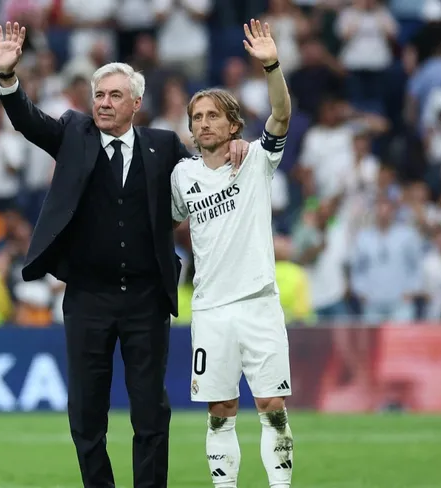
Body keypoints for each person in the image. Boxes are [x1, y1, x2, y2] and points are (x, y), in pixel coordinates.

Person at [0, 22, 249, 488]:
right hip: (88, 298)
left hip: (146, 300)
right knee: (86, 412)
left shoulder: (164, 146)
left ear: (136, 103)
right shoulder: (74, 133)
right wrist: (8, 78)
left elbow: (205, 174)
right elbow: (28, 121)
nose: (104, 103)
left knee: (151, 412)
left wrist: (232, 144)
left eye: (115, 95)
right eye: (99, 95)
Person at [170, 19, 294, 488]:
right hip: (210, 309)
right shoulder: (181, 177)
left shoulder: (257, 159)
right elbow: (161, 221)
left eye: (212, 116)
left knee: (272, 407)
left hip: (259, 302)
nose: (203, 123)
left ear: (234, 125)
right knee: (220, 411)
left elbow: (281, 114)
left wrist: (271, 65)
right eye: (197, 118)